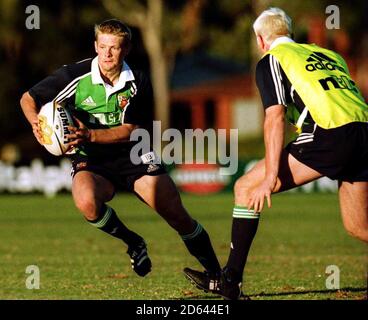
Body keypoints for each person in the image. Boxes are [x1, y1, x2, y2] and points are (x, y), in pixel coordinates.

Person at [184, 7, 368, 299]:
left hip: (330, 135)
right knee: (359, 227)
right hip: (363, 132)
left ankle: (229, 282)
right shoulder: (329, 55)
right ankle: (229, 280)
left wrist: (270, 176)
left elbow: (275, 117)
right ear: (290, 34)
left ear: (260, 40)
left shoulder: (272, 59)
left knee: (246, 187)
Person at [20, 19, 221, 282]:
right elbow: (28, 98)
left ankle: (219, 276)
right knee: (86, 202)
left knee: (176, 214)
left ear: (125, 49)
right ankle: (133, 242)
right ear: (95, 46)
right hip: (91, 158)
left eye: (113, 48)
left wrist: (89, 134)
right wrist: (38, 124)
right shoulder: (74, 75)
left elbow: (129, 130)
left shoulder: (138, 80)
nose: (106, 54)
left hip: (133, 153)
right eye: (102, 46)